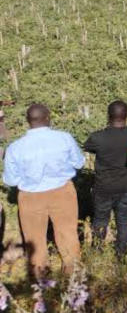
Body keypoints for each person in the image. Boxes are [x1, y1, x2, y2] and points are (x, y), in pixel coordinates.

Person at [3, 104, 84, 278]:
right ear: (47, 118)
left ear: (28, 121)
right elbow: (79, 163)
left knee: (34, 239)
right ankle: (73, 276)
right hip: (62, 191)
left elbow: (10, 180)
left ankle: (39, 279)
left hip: (30, 197)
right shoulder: (64, 138)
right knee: (67, 233)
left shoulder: (15, 148)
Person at [84, 101, 127, 257]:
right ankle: (122, 255)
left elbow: (87, 146)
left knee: (100, 219)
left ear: (108, 115)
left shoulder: (97, 137)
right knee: (124, 221)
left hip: (103, 187)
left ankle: (97, 252)